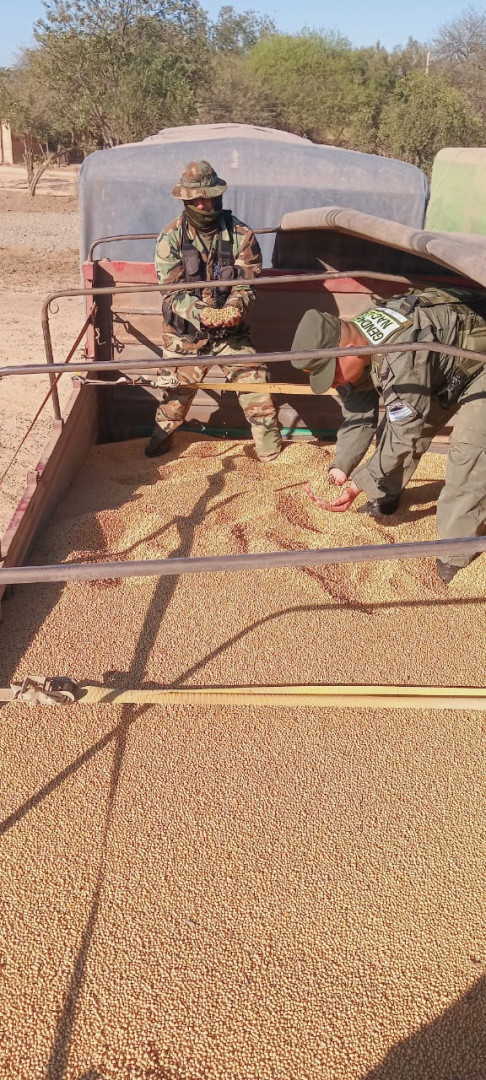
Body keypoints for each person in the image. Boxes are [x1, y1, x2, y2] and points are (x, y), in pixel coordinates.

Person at [290, 287, 486, 583]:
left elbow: (406, 432)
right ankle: (385, 494)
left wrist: (359, 483)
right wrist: (340, 468)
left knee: (469, 453)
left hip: (479, 362)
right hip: (443, 368)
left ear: (347, 348)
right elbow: (359, 417)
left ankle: (456, 552)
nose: (333, 383)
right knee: (399, 426)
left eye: (333, 373)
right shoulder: (360, 344)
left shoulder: (400, 354)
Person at [145, 160, 281, 463]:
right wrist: (201, 313)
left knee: (258, 393)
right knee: (173, 404)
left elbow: (247, 284)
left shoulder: (242, 235)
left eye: (207, 198)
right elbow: (172, 292)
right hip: (186, 337)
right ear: (185, 200)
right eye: (195, 199)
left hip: (231, 335)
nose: (202, 204)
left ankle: (272, 457)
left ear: (218, 196)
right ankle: (156, 450)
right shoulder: (170, 238)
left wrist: (234, 307)